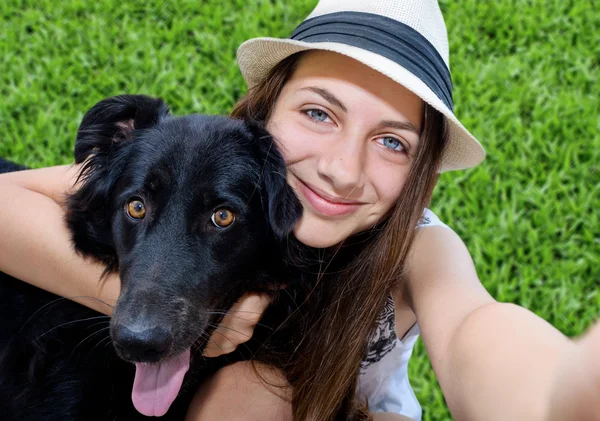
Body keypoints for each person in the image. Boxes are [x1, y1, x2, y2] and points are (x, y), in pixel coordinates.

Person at [0, 1, 598, 420]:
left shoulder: (418, 247)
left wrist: (556, 395)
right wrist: (200, 319)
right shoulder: (212, 161)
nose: (342, 169)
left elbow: (475, 327)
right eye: (319, 113)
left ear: (421, 171)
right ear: (264, 111)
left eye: (393, 142)